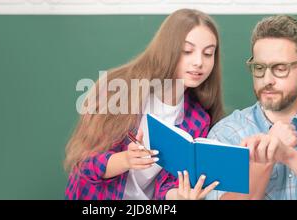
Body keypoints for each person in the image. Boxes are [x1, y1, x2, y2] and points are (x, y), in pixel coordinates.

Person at [64, 8, 224, 200]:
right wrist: (125, 160)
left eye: (208, 54)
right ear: (168, 49)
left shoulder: (198, 120)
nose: (199, 62)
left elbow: (168, 185)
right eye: (187, 51)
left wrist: (182, 196)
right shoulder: (117, 90)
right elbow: (84, 164)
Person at [206, 15, 297, 200]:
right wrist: (266, 157)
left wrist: (287, 154)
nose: (267, 80)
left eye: (280, 68)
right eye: (259, 67)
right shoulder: (225, 134)